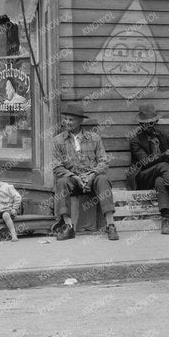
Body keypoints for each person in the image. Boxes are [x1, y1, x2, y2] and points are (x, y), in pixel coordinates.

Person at [52, 102, 117, 240]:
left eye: (71, 119)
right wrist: (75, 178)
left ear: (80, 121)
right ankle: (68, 226)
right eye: (66, 119)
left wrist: (92, 175)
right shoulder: (58, 141)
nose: (67, 122)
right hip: (72, 180)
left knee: (103, 179)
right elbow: (57, 167)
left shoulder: (94, 138)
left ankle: (110, 225)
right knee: (61, 181)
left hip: (92, 179)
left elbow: (103, 162)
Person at [126, 102, 169, 233]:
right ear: (141, 124)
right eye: (146, 123)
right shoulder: (135, 139)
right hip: (142, 176)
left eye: (153, 122)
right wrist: (163, 156)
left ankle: (165, 221)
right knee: (163, 165)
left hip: (161, 175)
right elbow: (145, 161)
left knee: (161, 181)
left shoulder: (162, 135)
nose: (150, 126)